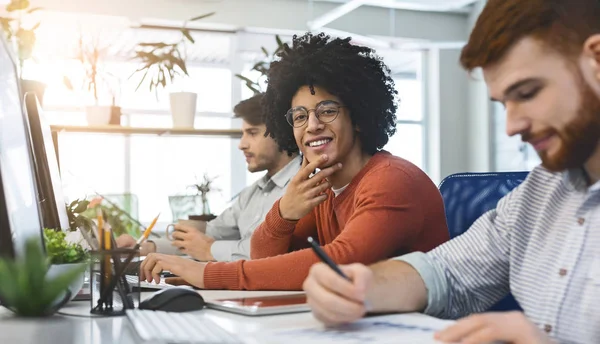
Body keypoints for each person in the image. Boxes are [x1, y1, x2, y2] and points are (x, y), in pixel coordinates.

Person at [302, 1, 600, 343]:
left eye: (528, 93)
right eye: (504, 104)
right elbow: (447, 274)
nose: (512, 126)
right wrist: (365, 287)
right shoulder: (541, 192)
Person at [139, 32, 449, 290]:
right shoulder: (325, 185)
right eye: (300, 116)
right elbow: (264, 258)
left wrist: (207, 274)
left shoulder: (391, 180)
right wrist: (284, 212)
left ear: (357, 115)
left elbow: (337, 260)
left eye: (327, 110)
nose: (312, 125)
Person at [117, 93, 301, 261]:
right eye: (242, 134)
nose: (242, 145)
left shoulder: (303, 187)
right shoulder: (252, 194)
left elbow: (268, 252)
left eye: (252, 133)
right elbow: (212, 231)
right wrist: (146, 247)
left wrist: (209, 249)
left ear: (280, 133)